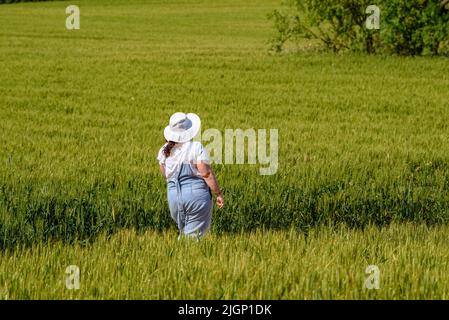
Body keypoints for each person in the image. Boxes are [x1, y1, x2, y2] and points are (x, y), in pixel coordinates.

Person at [157, 112, 224, 238]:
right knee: (194, 239)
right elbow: (206, 173)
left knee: (184, 233)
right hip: (196, 196)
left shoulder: (164, 149)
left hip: (173, 197)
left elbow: (165, 173)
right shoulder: (196, 147)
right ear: (189, 131)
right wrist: (218, 194)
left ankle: (173, 256)